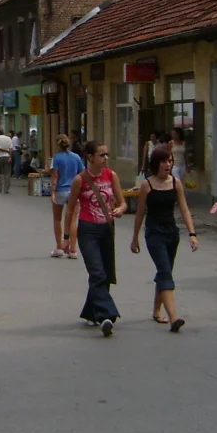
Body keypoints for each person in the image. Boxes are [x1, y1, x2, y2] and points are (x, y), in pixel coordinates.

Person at [131, 145, 199, 332]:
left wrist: (192, 234)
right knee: (165, 271)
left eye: (170, 161)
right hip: (154, 233)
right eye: (164, 161)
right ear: (156, 164)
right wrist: (134, 238)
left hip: (171, 233)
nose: (167, 165)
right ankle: (174, 317)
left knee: (164, 271)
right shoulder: (147, 185)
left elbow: (184, 209)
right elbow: (139, 213)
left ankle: (156, 310)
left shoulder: (176, 183)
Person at [64, 141, 127, 337]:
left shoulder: (111, 176)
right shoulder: (80, 180)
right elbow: (71, 208)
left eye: (107, 154)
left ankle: (91, 311)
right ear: (90, 157)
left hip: (107, 228)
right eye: (101, 155)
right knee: (97, 271)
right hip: (88, 229)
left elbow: (123, 202)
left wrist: (120, 209)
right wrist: (67, 237)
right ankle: (107, 315)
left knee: (105, 273)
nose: (106, 158)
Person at [50, 134, 86, 258]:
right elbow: (82, 173)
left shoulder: (56, 158)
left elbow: (55, 175)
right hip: (73, 191)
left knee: (57, 218)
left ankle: (59, 247)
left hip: (60, 189)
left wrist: (53, 191)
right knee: (73, 219)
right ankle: (73, 249)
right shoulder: (76, 157)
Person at [0, 128, 13, 194]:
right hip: (7, 157)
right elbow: (11, 148)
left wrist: (6, 151)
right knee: (7, 174)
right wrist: (10, 156)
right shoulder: (9, 138)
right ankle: (6, 189)